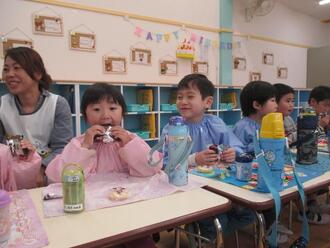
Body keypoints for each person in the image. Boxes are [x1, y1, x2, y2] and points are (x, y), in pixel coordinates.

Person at [46, 83, 162, 248]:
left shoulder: (130, 138)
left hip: (130, 214)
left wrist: (129, 144)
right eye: (96, 109)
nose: (105, 116)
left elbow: (153, 167)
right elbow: (57, 176)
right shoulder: (79, 143)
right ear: (85, 116)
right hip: (90, 218)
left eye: (113, 108)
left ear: (122, 113)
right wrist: (84, 147)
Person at [161, 74, 252, 243]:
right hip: (189, 189)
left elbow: (235, 146)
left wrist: (232, 152)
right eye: (179, 97)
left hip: (220, 183)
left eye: (190, 96)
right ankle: (204, 234)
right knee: (219, 220)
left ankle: (205, 233)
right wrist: (195, 159)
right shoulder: (173, 128)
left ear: (207, 102)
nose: (182, 101)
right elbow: (165, 164)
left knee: (249, 213)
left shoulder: (214, 122)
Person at [0, 47, 73, 172]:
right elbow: (2, 147)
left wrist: (40, 169)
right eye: (6, 69)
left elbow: (62, 148)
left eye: (17, 68)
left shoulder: (57, 104)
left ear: (37, 74)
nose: (9, 74)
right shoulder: (2, 104)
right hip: (15, 173)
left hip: (49, 172)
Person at [296, 85, 330, 225]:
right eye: (326, 105)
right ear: (313, 102)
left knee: (320, 174)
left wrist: (325, 127)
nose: (327, 109)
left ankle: (312, 203)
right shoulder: (305, 116)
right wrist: (321, 126)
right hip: (302, 156)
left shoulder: (319, 117)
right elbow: (304, 138)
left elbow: (320, 139)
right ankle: (305, 211)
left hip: (315, 153)